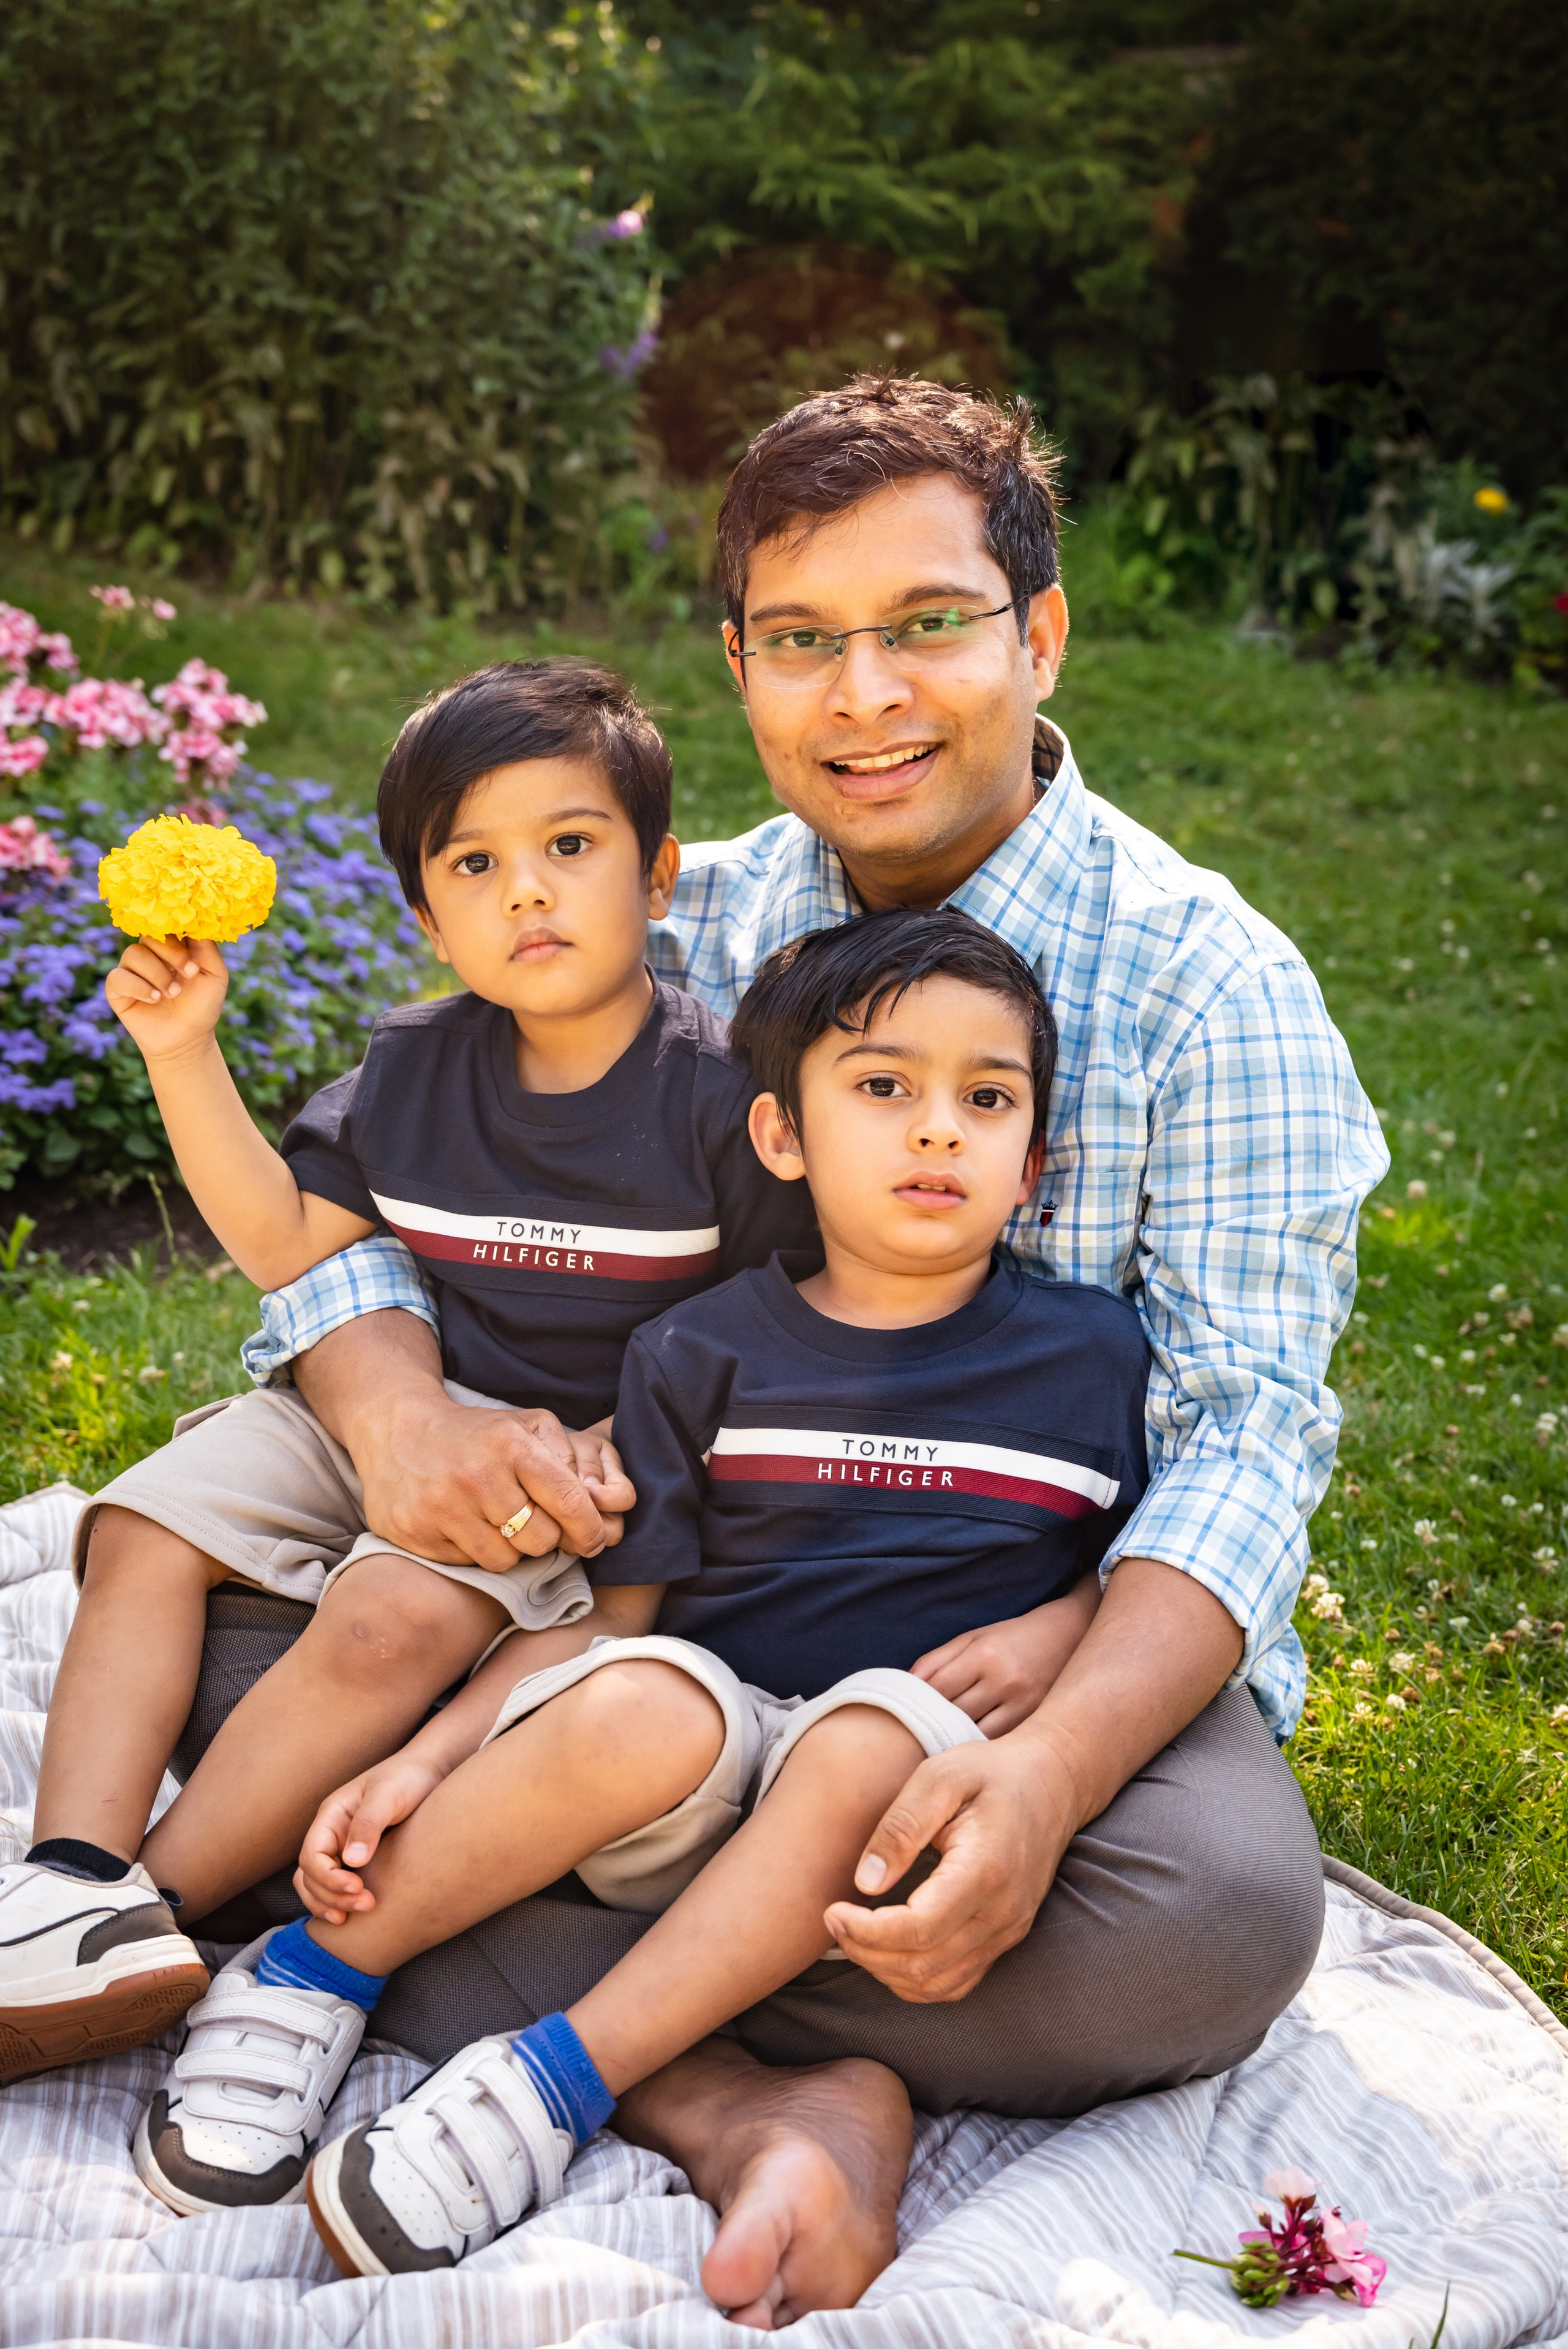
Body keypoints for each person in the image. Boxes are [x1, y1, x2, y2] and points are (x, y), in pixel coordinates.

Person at [104, 375, 1391, 2324]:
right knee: (288, 1654)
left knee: (1212, 1925)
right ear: (739, 667)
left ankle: (486, 1968)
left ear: (1038, 634)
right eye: (803, 642)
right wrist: (399, 1405)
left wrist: (1040, 1785)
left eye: (926, 625)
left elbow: (1240, 1450)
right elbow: (400, 1184)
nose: (863, 694)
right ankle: (727, 2082)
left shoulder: (1215, 989)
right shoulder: (672, 912)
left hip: (1008, 1627)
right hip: (659, 1588)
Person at [147, 911, 1150, 2304]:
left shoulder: (1091, 1352)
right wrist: (423, 1757)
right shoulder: (702, 1346)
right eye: (881, 1088)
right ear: (780, 1140)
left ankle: (554, 2080)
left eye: (984, 1100)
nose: (937, 1132)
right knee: (644, 1694)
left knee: (873, 1741)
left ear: (1030, 1162)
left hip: (887, 1791)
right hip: (693, 1751)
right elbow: (613, 1618)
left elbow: (1144, 1559)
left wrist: (1060, 1626)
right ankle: (312, 1969)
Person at [1, 660, 817, 2095]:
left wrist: (622, 1452)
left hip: (570, 1474)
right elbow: (281, 1242)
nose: (527, 892)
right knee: (139, 1524)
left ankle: (156, 1915)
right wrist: (180, 1052)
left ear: (660, 876)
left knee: (388, 1617)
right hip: (401, 1403)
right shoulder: (414, 1067)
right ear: (427, 915)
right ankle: (64, 1885)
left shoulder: (718, 1101)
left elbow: (779, 1328)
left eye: (571, 846)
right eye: (475, 863)